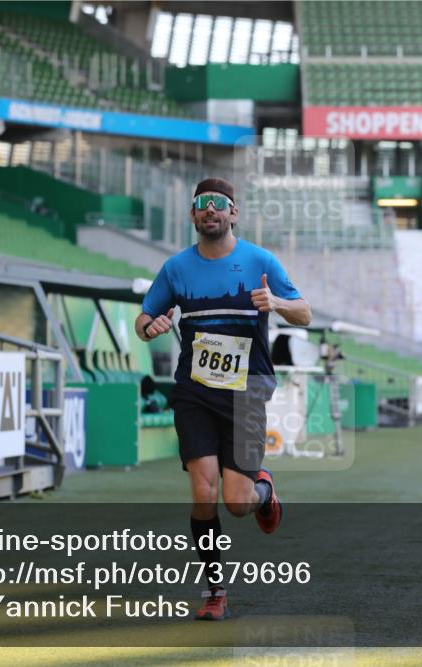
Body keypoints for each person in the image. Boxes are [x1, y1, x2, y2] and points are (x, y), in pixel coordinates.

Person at [135, 177, 311, 621]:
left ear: (234, 213)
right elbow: (144, 318)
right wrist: (150, 327)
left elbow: (305, 313)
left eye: (219, 203)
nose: (210, 209)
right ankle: (215, 592)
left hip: (247, 392)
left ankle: (263, 491)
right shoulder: (177, 268)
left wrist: (276, 302)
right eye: (201, 203)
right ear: (192, 215)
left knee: (237, 502)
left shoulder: (260, 261)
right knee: (203, 492)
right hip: (194, 391)